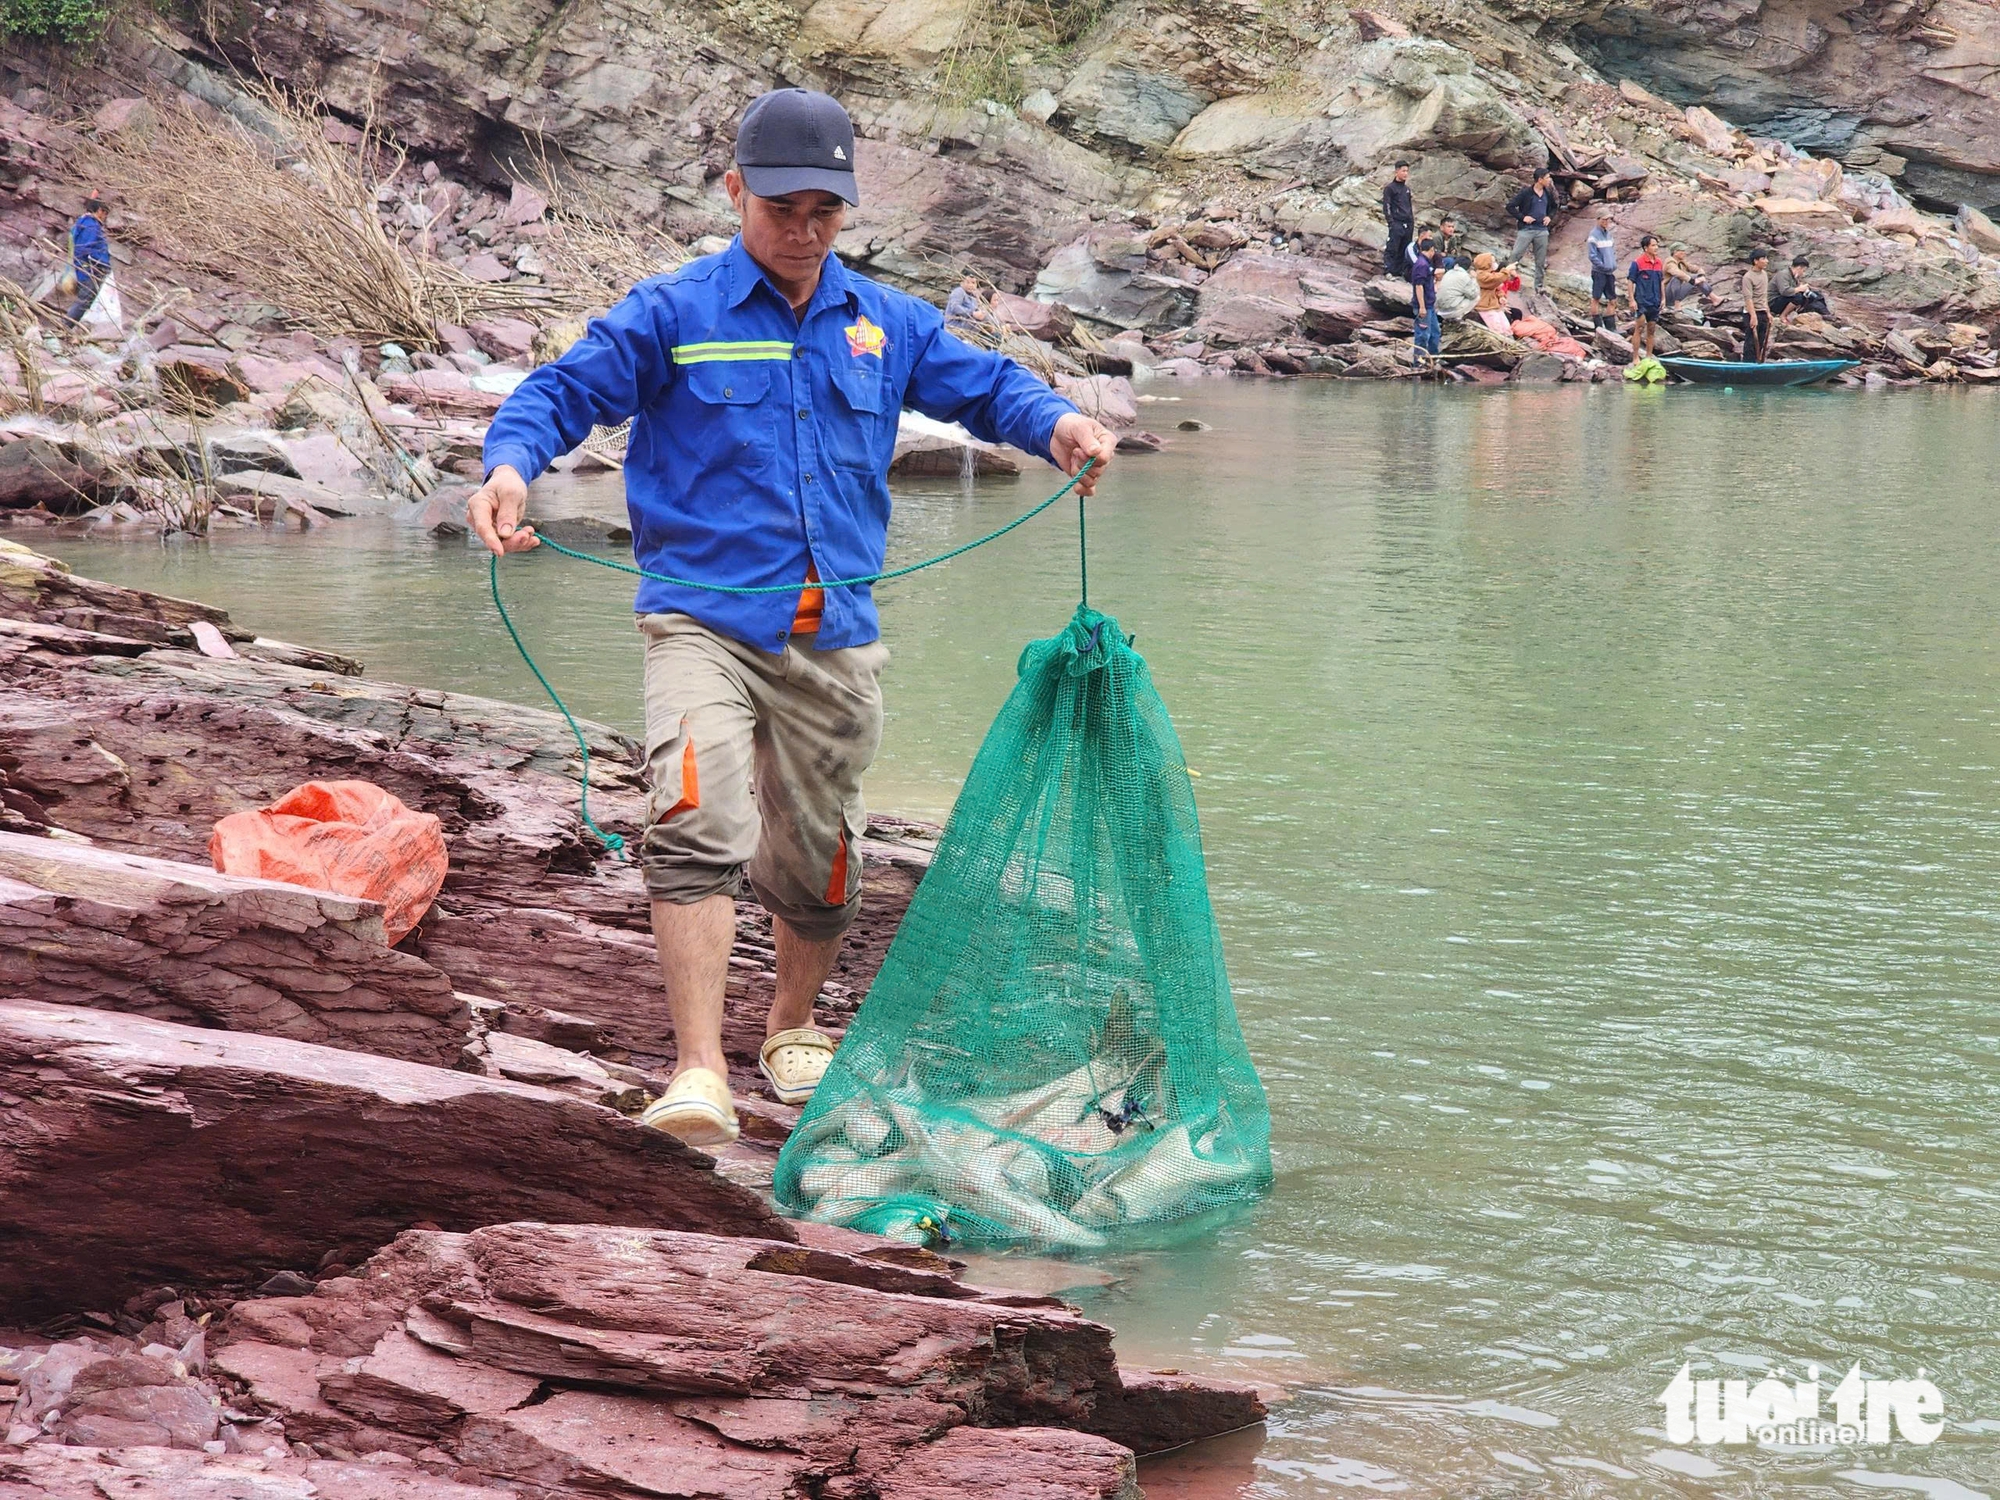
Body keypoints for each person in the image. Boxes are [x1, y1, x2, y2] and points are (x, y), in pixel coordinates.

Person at [469, 88, 1118, 1147]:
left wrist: (1058, 426)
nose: (804, 230)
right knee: (694, 818)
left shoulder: (885, 323)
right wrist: (507, 468)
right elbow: (558, 394)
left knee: (821, 857)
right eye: (782, 208)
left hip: (835, 635)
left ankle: (791, 1024)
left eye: (825, 210)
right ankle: (697, 1071)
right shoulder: (672, 313)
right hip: (700, 625)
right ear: (735, 191)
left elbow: (989, 389)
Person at [1505, 168, 1559, 291]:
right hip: (1526, 229)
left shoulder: (1547, 193)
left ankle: (1538, 287)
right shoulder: (1526, 193)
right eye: (1547, 177)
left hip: (1542, 230)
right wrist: (1523, 217)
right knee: (1515, 255)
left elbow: (1554, 207)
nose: (1549, 180)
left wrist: (1549, 217)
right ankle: (1506, 281)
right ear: (1540, 179)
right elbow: (1510, 206)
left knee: (1540, 260)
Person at [65, 194, 111, 324]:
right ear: (100, 210)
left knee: (86, 300)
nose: (105, 217)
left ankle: (67, 325)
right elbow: (85, 249)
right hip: (90, 270)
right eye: (105, 213)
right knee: (84, 300)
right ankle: (64, 326)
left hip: (86, 268)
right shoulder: (91, 226)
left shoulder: (84, 223)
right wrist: (95, 265)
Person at [1627, 233, 1666, 358]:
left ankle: (1649, 357)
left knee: (1651, 329)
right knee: (1639, 328)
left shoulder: (1659, 262)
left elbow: (1661, 282)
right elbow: (1630, 281)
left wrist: (1663, 298)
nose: (1656, 248)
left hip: (1655, 301)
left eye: (1657, 245)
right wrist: (1632, 300)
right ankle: (1635, 357)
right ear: (1645, 248)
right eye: (1653, 245)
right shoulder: (1637, 263)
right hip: (1642, 301)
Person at [1409, 231, 1440, 359]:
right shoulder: (1422, 265)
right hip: (1424, 305)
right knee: (1422, 335)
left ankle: (1433, 357)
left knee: (1435, 332)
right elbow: (1419, 286)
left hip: (1430, 305)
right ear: (1431, 249)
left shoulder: (1426, 263)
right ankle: (1419, 361)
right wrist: (1422, 307)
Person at [1772, 254, 1831, 319]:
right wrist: (1800, 289)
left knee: (1815, 295)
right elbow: (1784, 291)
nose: (1803, 273)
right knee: (1798, 297)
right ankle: (1783, 315)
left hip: (1785, 299)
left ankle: (1825, 314)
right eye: (1803, 270)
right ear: (1799, 268)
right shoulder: (1783, 274)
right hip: (1774, 302)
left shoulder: (1794, 277)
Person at [1586, 211, 1618, 329]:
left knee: (1612, 299)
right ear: (1598, 219)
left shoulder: (1608, 235)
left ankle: (1611, 327)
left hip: (1609, 272)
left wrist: (1613, 264)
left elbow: (1612, 251)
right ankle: (1598, 327)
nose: (1606, 222)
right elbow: (1592, 255)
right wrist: (1603, 266)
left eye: (1607, 220)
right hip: (1599, 272)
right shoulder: (1593, 235)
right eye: (1603, 219)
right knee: (1596, 297)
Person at [1382, 162, 1414, 277]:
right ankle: (1388, 270)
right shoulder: (1390, 188)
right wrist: (1391, 222)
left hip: (1408, 223)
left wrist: (1411, 222)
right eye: (1403, 171)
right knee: (1392, 247)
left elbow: (1409, 207)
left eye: (1407, 171)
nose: (1406, 173)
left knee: (1404, 248)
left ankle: (1399, 271)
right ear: (1397, 171)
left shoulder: (1407, 189)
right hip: (1396, 222)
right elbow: (1387, 206)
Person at [1742, 248, 1773, 362]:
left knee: (1761, 341)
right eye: (1763, 258)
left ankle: (1758, 362)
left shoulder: (1764, 274)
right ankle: (1747, 364)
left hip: (1762, 311)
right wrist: (1753, 316)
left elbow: (1764, 295)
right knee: (1750, 342)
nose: (1766, 261)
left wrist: (1768, 312)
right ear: (1756, 261)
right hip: (1751, 312)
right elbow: (1748, 298)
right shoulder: (1748, 277)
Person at [1435, 255, 1479, 322]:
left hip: (1439, 309)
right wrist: (1474, 279)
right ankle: (1457, 317)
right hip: (1450, 310)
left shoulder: (1448, 272)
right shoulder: (1464, 276)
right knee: (1476, 297)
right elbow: (1473, 295)